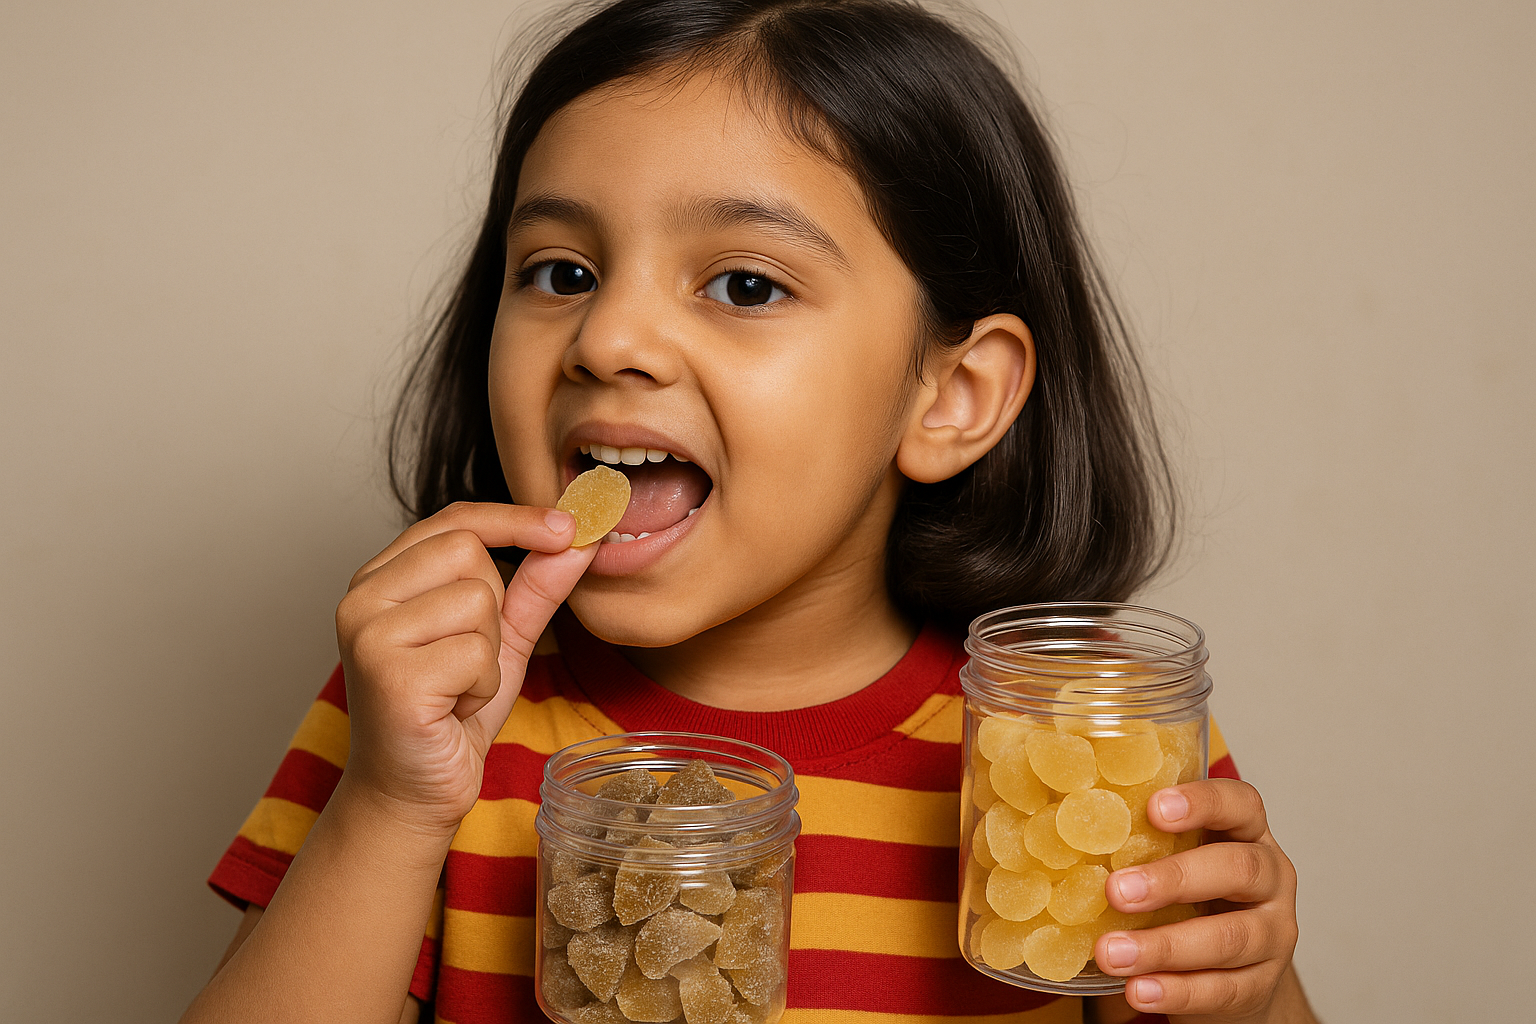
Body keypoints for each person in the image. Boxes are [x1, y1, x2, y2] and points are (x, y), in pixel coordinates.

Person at [182, 2, 1315, 1023]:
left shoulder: (1077, 741)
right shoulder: (428, 709)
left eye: (745, 284)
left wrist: (1241, 998)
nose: (608, 339)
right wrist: (390, 803)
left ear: (952, 397)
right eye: (561, 271)